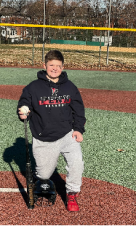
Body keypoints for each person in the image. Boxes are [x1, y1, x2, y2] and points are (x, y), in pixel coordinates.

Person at [17, 50, 86, 212]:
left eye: (58, 66)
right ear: (44, 66)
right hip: (43, 137)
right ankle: (40, 179)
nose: (54, 68)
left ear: (63, 67)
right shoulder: (33, 87)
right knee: (44, 174)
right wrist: (23, 110)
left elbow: (79, 110)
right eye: (51, 65)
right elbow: (24, 102)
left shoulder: (70, 87)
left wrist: (78, 129)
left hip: (67, 134)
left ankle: (72, 194)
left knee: (77, 163)